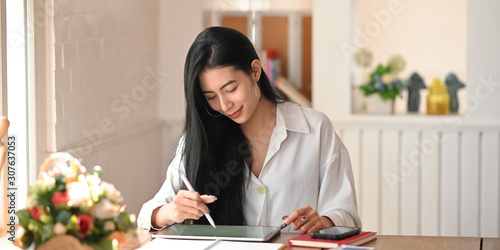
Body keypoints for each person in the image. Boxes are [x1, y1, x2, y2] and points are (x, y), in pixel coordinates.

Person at [137, 26, 361, 234]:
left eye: (231, 89)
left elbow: (347, 215)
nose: (224, 106)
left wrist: (324, 222)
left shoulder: (315, 129)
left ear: (255, 71)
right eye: (212, 97)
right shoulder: (200, 139)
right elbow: (147, 214)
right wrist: (170, 212)